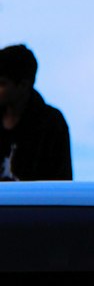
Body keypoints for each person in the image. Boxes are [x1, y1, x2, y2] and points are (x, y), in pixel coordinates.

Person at [0, 44, 72, 182]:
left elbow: (59, 183)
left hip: (35, 203)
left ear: (23, 85)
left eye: (2, 83)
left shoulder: (51, 125)